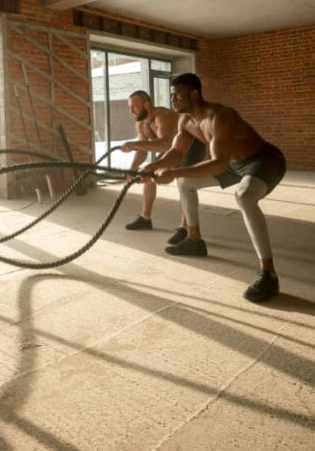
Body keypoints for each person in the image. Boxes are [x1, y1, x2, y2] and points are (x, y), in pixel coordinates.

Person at [146, 73, 287, 303]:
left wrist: (173, 172)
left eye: (177, 95)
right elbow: (175, 153)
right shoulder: (186, 121)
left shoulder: (219, 117)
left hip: (263, 159)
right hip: (233, 163)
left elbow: (218, 163)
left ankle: (268, 274)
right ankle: (194, 240)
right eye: (171, 95)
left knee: (244, 195)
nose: (173, 100)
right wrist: (150, 167)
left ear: (194, 94)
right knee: (185, 183)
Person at [118, 90, 206, 235]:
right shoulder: (141, 123)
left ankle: (185, 227)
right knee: (147, 174)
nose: (131, 111)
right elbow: (142, 149)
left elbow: (165, 144)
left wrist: (134, 144)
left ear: (146, 105)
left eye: (134, 107)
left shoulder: (162, 116)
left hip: (192, 146)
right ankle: (145, 219)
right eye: (129, 107)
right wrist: (132, 168)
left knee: (184, 182)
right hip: (172, 149)